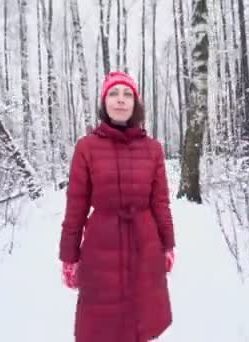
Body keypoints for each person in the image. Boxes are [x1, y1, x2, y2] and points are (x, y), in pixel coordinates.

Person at [59, 71, 176, 342]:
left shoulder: (153, 149)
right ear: (104, 102)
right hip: (101, 248)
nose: (120, 100)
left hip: (144, 245)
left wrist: (168, 245)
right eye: (113, 94)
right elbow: (75, 207)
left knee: (141, 322)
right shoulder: (87, 148)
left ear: (135, 103)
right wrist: (68, 257)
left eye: (127, 94)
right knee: (102, 327)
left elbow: (160, 203)